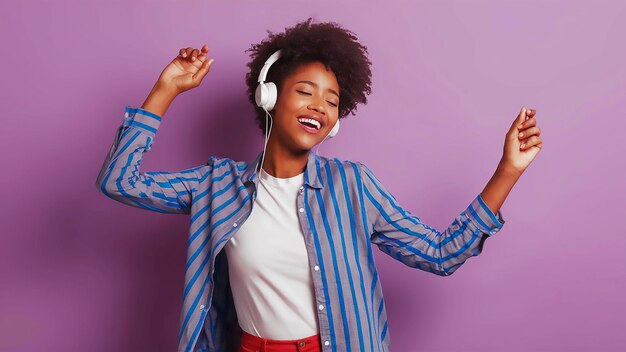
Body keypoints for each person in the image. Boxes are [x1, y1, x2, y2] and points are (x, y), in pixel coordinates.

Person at [95, 17, 542, 352]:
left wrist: (508, 170)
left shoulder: (353, 188)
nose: (319, 107)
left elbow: (441, 254)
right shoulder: (216, 186)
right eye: (305, 91)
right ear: (269, 96)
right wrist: (165, 89)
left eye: (331, 100)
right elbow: (120, 181)